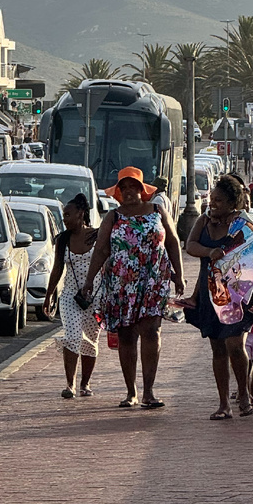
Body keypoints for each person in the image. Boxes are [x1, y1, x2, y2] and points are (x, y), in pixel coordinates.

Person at [82, 166, 184, 409]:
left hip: (153, 281)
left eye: (133, 187)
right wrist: (89, 280)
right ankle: (131, 392)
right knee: (126, 335)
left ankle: (149, 391)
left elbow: (172, 242)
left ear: (142, 189)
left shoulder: (157, 211)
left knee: (152, 332)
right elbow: (101, 250)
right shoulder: (113, 217)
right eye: (123, 188)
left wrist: (178, 275)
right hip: (121, 284)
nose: (128, 192)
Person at [184, 176, 253, 419]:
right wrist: (209, 251)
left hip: (236, 293)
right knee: (217, 348)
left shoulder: (243, 224)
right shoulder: (203, 220)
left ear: (232, 202)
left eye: (218, 200)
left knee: (235, 346)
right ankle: (223, 403)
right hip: (209, 293)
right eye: (211, 199)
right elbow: (190, 245)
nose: (212, 203)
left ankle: (244, 393)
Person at [44, 194, 101, 399]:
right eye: (63, 215)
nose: (65, 219)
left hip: (95, 298)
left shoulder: (97, 236)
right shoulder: (63, 239)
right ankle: (70, 385)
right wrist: (49, 295)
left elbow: (109, 264)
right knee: (73, 336)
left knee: (91, 341)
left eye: (68, 214)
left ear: (81, 214)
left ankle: (85, 384)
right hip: (70, 296)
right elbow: (57, 268)